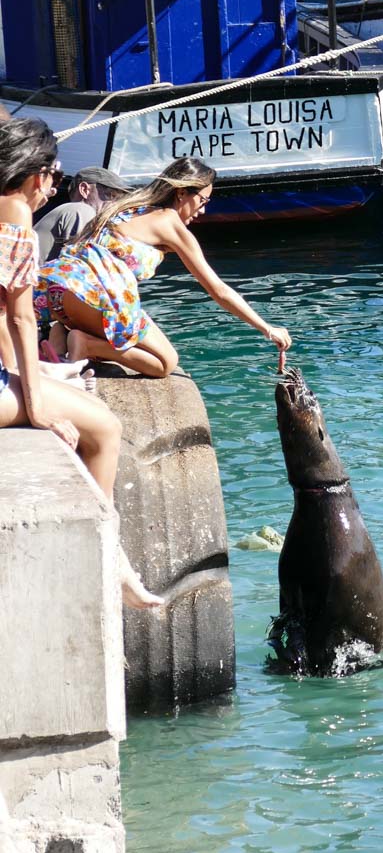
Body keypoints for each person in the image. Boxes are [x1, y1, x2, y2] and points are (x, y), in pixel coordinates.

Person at [0, 118, 160, 608]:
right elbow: (22, 320)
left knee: (58, 386)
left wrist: (35, 375)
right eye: (53, 175)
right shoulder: (16, 223)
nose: (53, 187)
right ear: (34, 176)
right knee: (105, 429)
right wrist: (38, 404)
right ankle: (110, 561)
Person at [35, 156, 292, 377]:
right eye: (202, 200)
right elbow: (218, 290)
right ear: (181, 193)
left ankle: (61, 332)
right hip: (92, 297)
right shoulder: (169, 223)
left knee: (127, 328)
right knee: (165, 364)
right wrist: (267, 329)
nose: (202, 211)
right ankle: (84, 343)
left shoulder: (127, 207)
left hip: (58, 293)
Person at [34, 165, 133, 262]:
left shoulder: (71, 211)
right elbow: (82, 262)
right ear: (84, 189)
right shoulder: (82, 209)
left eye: (119, 199)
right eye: (111, 195)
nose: (115, 204)